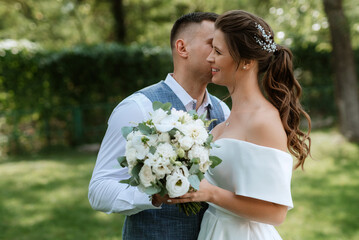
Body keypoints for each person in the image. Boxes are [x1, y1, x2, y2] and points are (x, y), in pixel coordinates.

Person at [168, 10, 311, 240]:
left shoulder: (263, 120)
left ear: (245, 62)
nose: (209, 58)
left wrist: (210, 193)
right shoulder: (226, 117)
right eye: (211, 48)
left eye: (218, 51)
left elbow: (276, 213)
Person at [88, 12, 230, 240]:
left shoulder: (224, 112)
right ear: (182, 48)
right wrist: (152, 196)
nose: (220, 55)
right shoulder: (137, 108)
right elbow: (98, 190)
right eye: (213, 45)